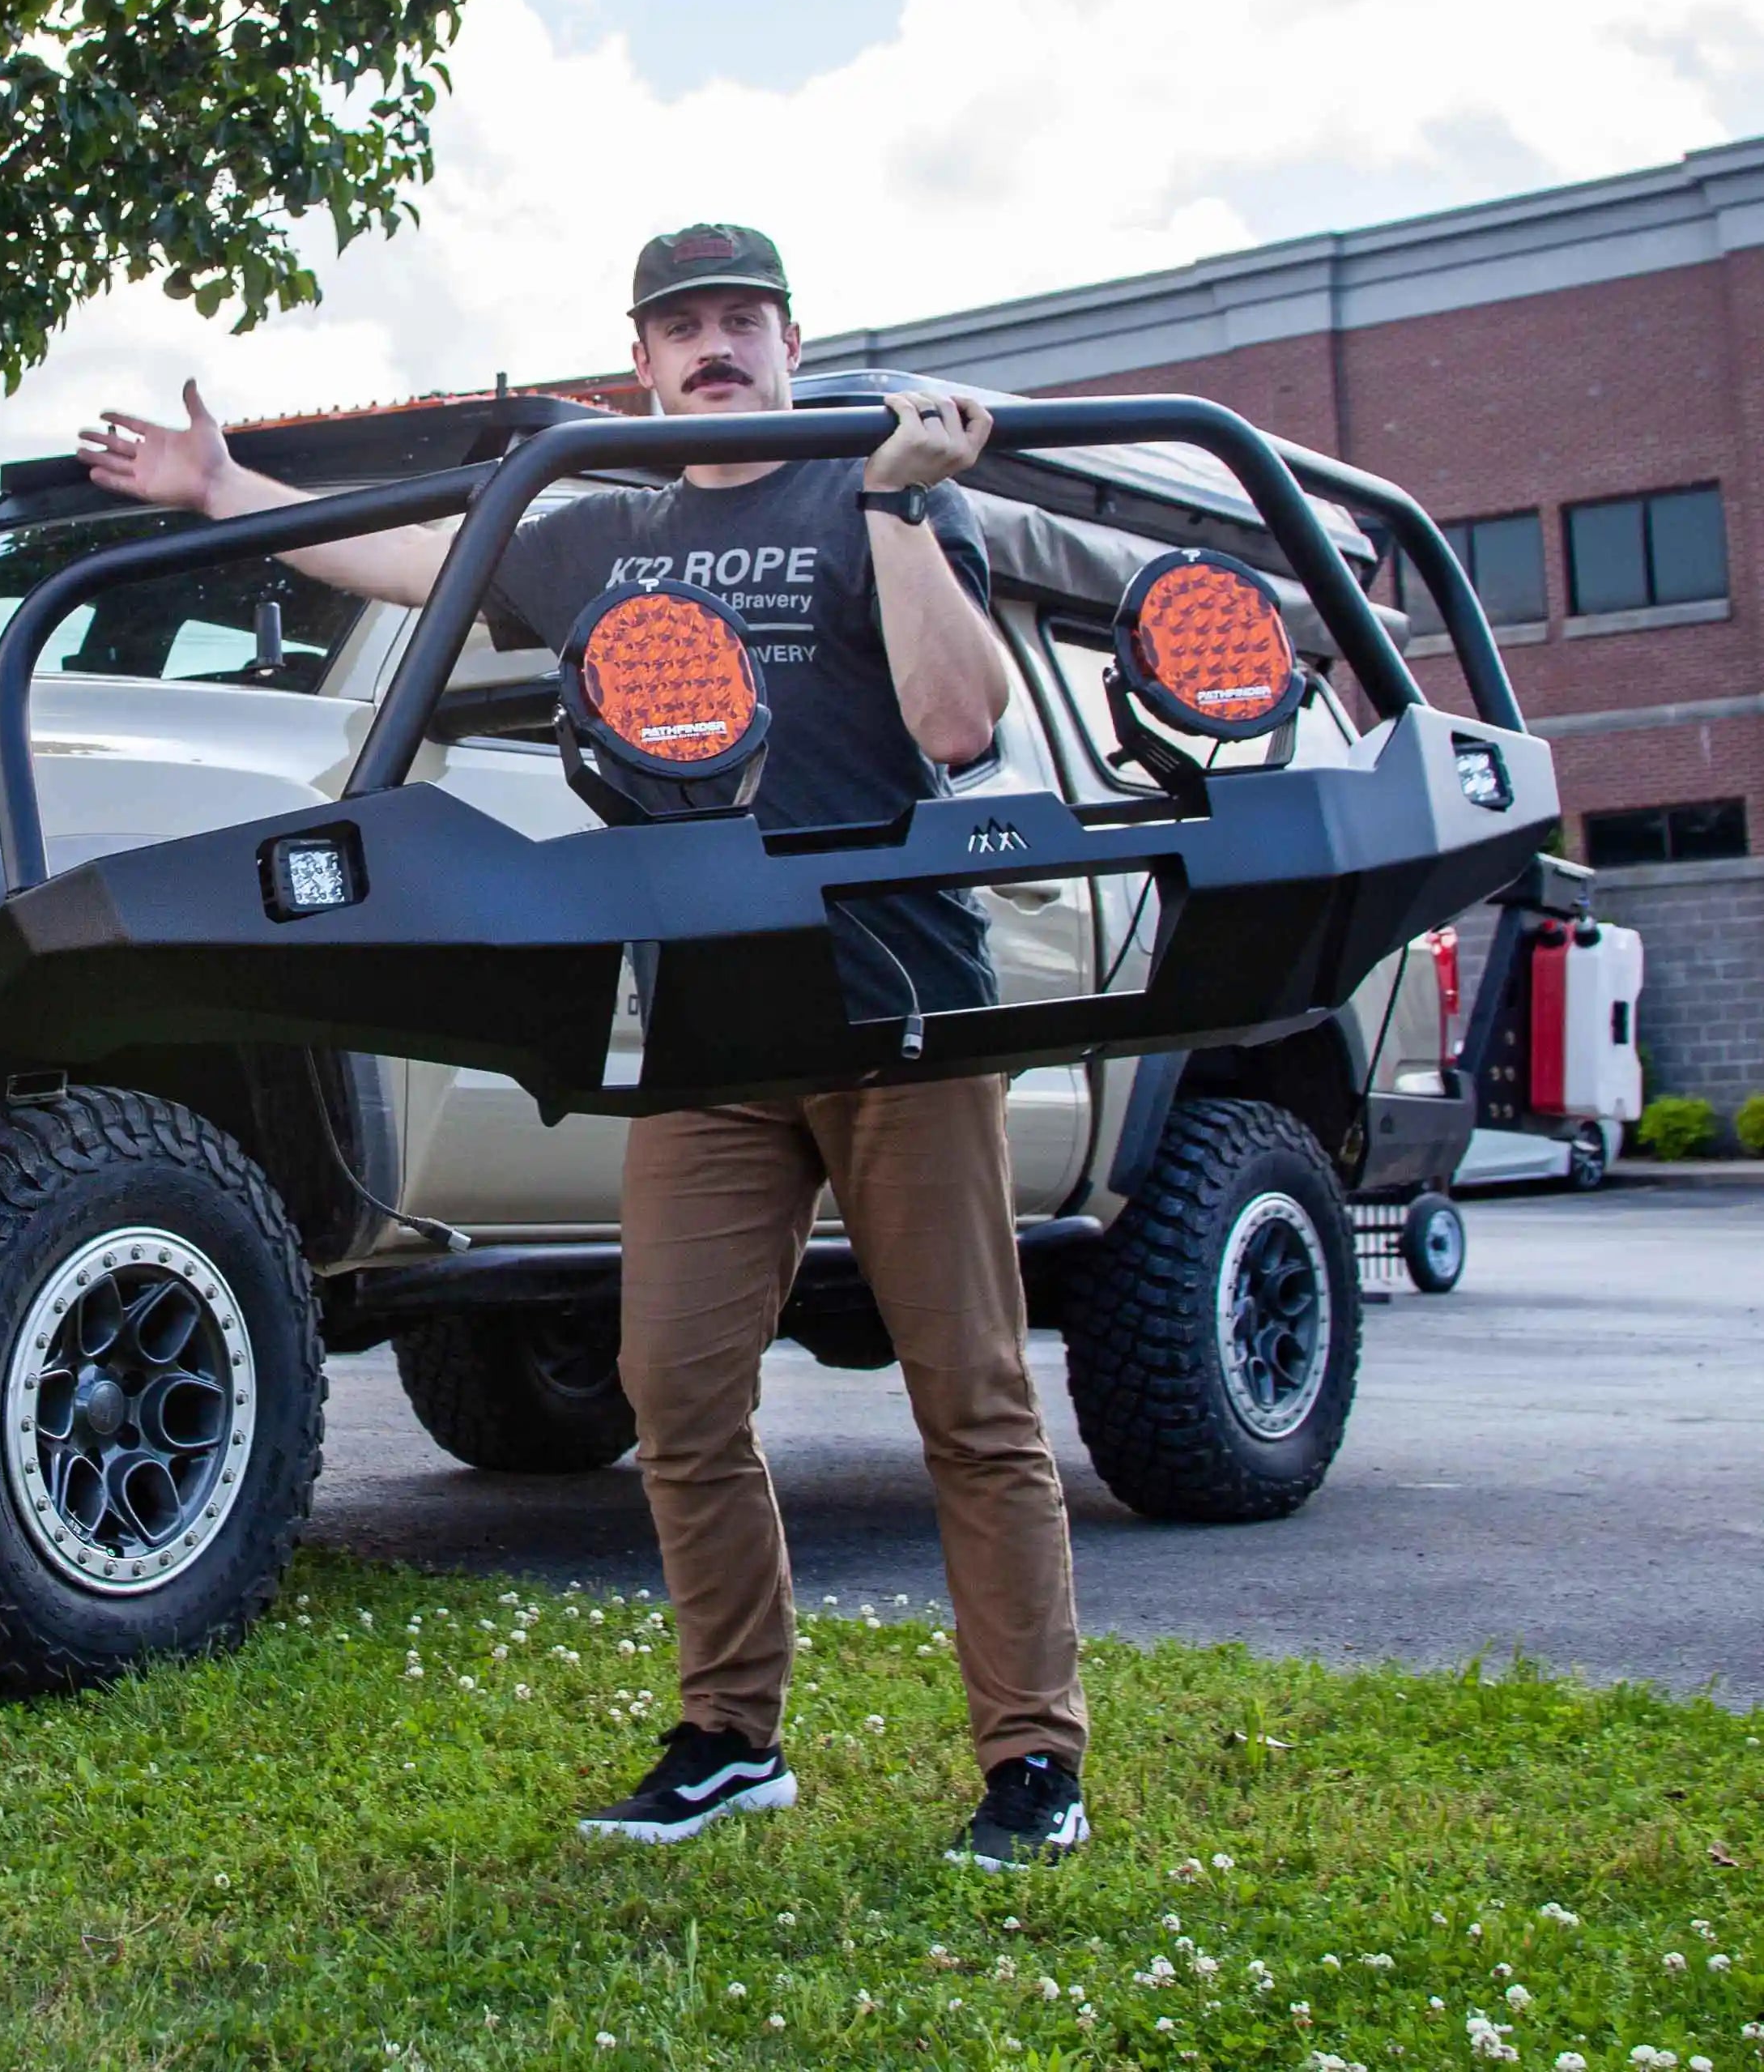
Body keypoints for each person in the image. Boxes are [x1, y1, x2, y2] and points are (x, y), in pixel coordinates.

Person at [78, 223, 1091, 1867]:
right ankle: (729, 1730)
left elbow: (960, 723)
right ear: (639, 360)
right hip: (705, 1019)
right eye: (680, 324)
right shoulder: (610, 526)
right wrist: (224, 491)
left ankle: (1032, 1757)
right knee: (675, 1390)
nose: (713, 347)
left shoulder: (884, 484)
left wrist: (903, 501)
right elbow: (418, 556)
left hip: (896, 1000)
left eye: (740, 320)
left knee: (968, 1395)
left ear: (790, 336)